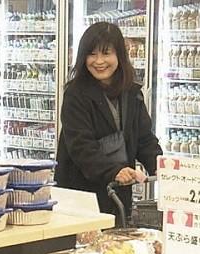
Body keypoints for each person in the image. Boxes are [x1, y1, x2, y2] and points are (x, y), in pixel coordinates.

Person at [55, 22, 162, 217]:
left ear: (119, 55)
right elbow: (82, 147)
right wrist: (114, 171)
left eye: (106, 53)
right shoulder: (75, 94)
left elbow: (144, 139)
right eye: (92, 54)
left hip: (118, 194)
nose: (99, 61)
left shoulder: (132, 92)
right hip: (81, 196)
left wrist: (161, 166)